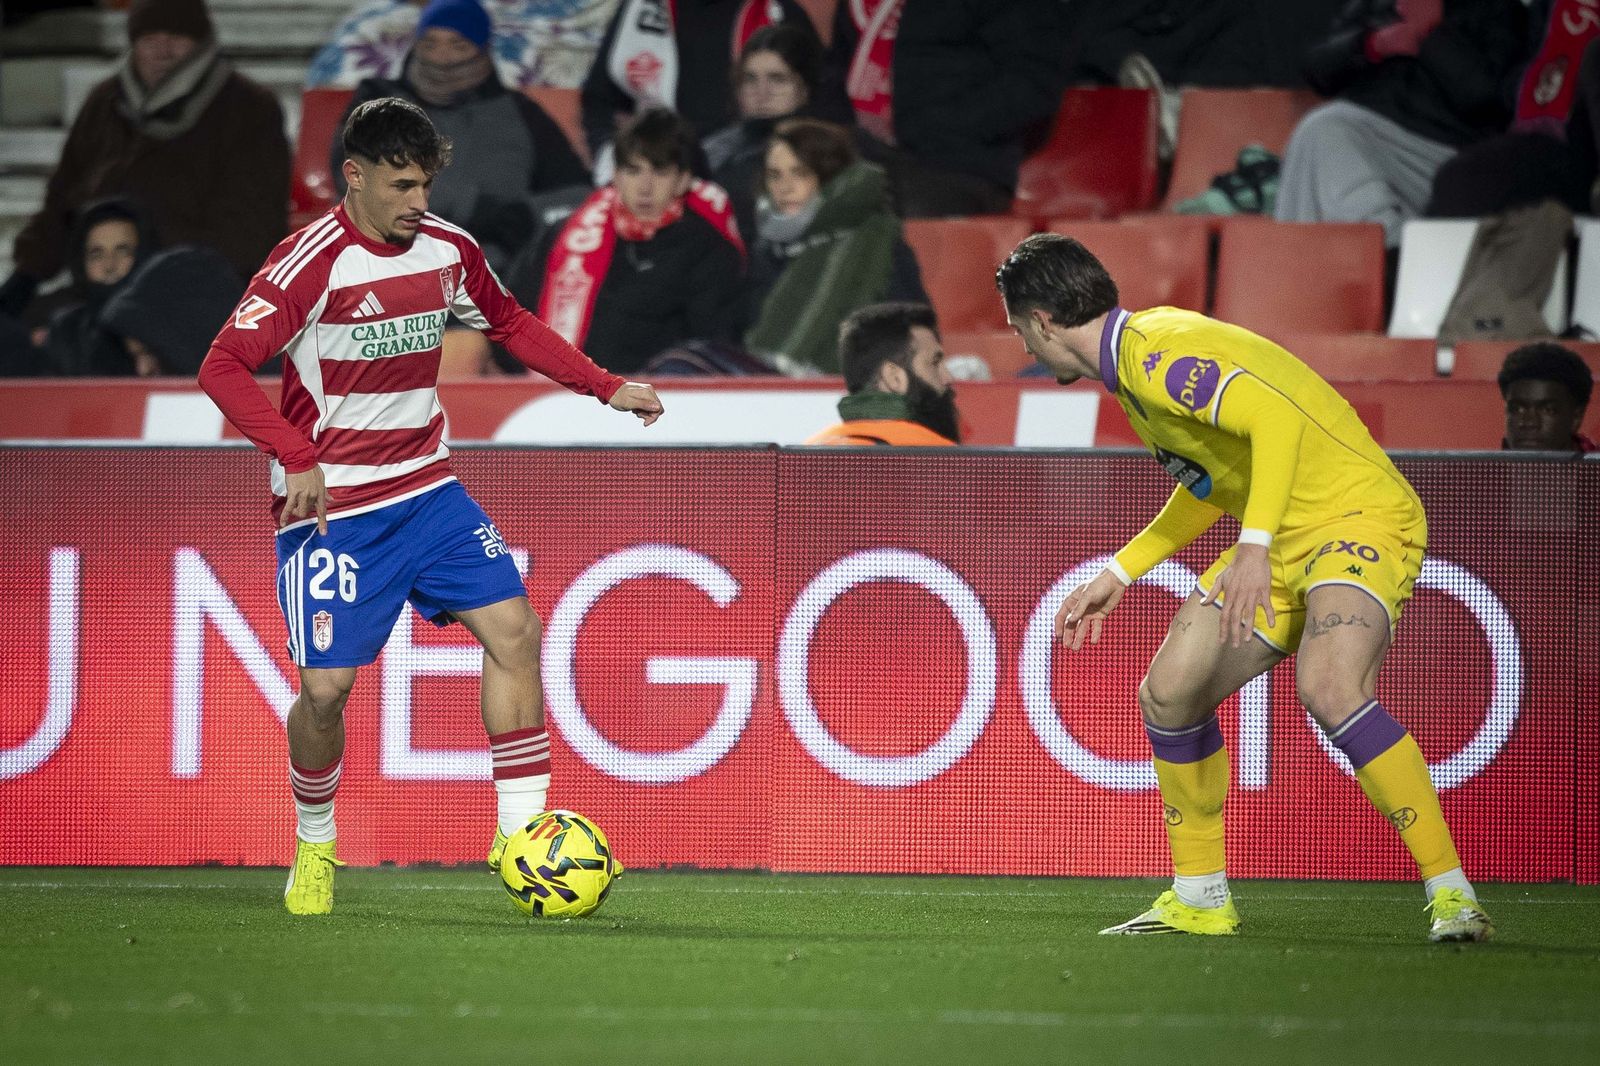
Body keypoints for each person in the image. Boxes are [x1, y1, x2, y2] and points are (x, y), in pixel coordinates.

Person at [196, 97, 664, 915]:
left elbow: (510, 321)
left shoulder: (449, 249)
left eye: (427, 184)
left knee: (516, 630)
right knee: (327, 693)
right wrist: (294, 453)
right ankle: (315, 842)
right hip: (335, 510)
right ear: (355, 175)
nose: (421, 202)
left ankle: (519, 835)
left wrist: (604, 385)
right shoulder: (308, 263)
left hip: (427, 488)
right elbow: (223, 366)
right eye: (404, 185)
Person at [995, 233, 1493, 943]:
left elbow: (1275, 420)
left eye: (1019, 331)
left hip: (1357, 514)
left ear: (1042, 320)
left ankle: (1453, 895)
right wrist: (1121, 571)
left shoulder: (1158, 354)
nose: (1023, 350)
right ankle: (1199, 896)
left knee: (1329, 686)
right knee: (1169, 693)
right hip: (1280, 529)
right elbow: (1211, 484)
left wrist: (1252, 547)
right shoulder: (1132, 377)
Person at [0, 0, 289, 321]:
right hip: (98, 284)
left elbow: (248, 226)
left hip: (196, 291)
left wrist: (149, 265)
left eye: (177, 39)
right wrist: (28, 272)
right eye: (150, 40)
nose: (162, 51)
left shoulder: (249, 107)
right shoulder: (105, 101)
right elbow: (62, 200)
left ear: (202, 43)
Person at [332, 0, 591, 274]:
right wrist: (473, 207)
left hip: (496, 273)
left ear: (482, 49)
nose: (441, 58)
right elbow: (357, 171)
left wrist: (525, 215)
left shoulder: (521, 114)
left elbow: (578, 195)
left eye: (458, 45)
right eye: (430, 44)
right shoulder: (377, 102)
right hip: (388, 264)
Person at [1274, 0, 1527, 246]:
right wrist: (1375, 44)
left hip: (1444, 150)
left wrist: (1431, 33)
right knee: (1316, 134)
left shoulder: (1496, 8)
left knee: (1325, 131)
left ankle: (1386, 252)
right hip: (1365, 131)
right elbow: (1317, 69)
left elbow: (1486, 98)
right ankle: (1348, 258)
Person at [517, 107, 746, 375]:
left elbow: (708, 348)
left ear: (683, 180)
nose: (645, 187)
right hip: (553, 397)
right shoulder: (568, 235)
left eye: (659, 172)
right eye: (633, 170)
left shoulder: (707, 248)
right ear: (615, 175)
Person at [829, 0, 1068, 218]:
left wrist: (940, 128)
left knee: (880, 231)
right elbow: (836, 71)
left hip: (957, 167)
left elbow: (1035, 81)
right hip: (860, 154)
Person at [744, 118, 924, 375]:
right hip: (763, 389)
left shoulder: (876, 243)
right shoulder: (764, 249)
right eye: (775, 175)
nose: (784, 188)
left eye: (800, 173)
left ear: (830, 177)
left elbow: (913, 330)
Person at [580, 0, 823, 181]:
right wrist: (608, 156)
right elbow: (598, 99)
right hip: (659, 172)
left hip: (756, 173)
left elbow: (826, 103)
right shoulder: (643, 9)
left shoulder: (775, 13)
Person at [702, 23, 828, 241]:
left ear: (805, 89)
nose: (762, 93)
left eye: (777, 79)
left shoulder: (834, 150)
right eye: (750, 79)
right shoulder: (710, 151)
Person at [806, 302, 959, 445]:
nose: (948, 377)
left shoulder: (807, 455)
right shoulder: (942, 460)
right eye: (934, 363)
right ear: (894, 377)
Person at [38, 199, 158, 377]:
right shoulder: (66, 330)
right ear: (81, 262)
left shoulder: (165, 324)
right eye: (96, 254)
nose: (110, 265)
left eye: (122, 250)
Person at [1498, 341, 1597, 452]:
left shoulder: (1594, 467)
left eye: (1548, 410)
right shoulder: (1487, 468)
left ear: (1576, 417)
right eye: (1517, 409)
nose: (1529, 423)